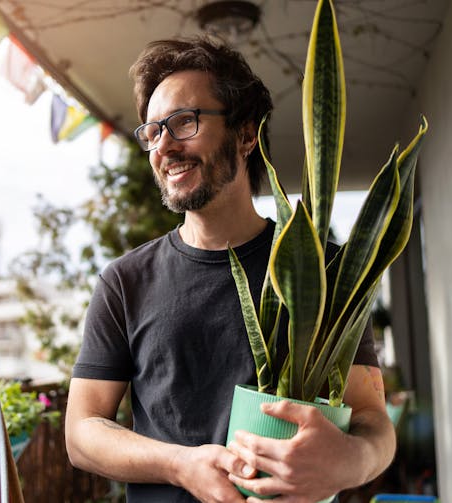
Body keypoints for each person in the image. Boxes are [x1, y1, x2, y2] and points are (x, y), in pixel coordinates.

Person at [65, 37, 395, 503]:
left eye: (184, 122)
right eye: (153, 131)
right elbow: (81, 433)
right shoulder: (125, 281)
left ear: (245, 134)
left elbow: (371, 419)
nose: (165, 146)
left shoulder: (325, 270)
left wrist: (351, 460)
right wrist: (181, 465)